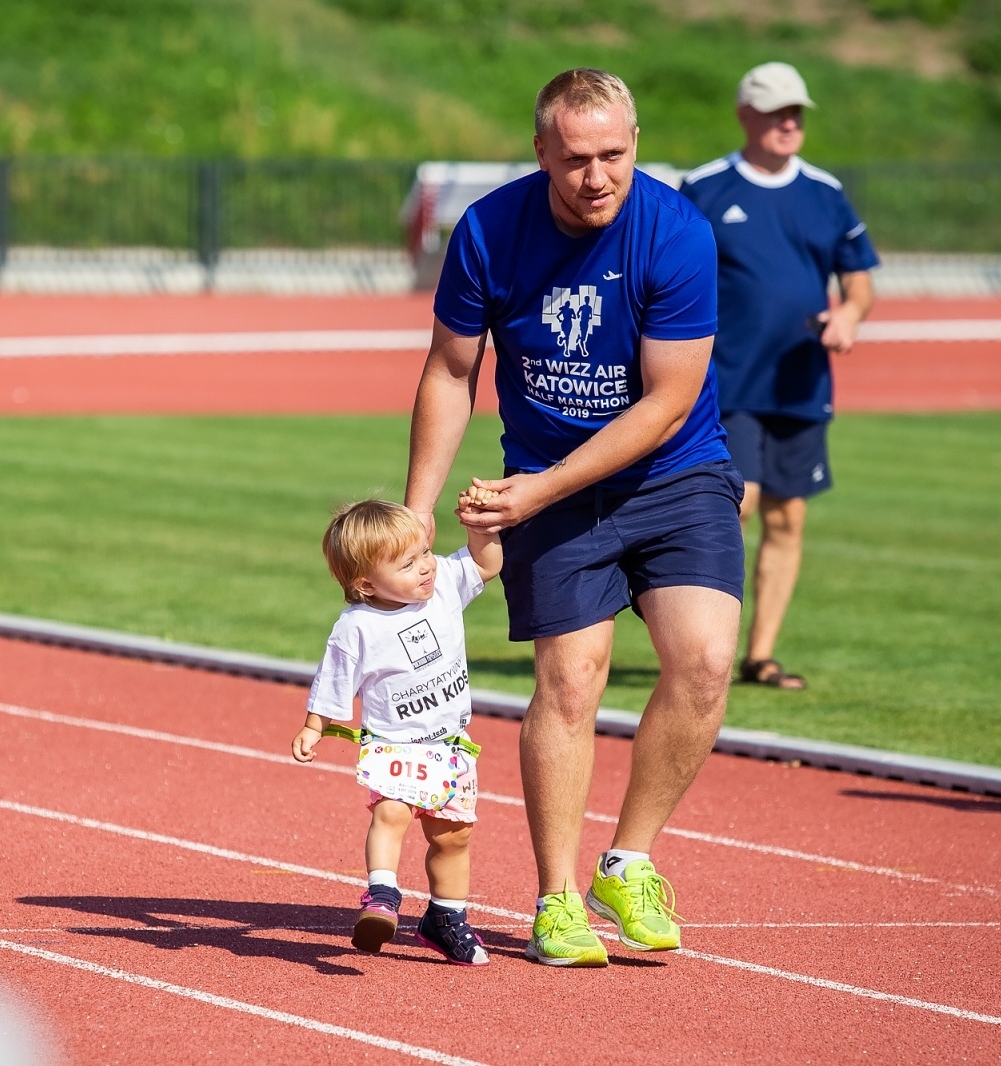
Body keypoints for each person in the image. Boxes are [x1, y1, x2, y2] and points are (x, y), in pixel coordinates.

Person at [407, 68, 743, 967]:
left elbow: (667, 403)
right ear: (541, 152)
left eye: (615, 156)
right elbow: (450, 370)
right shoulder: (488, 230)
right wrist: (415, 511)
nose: (598, 178)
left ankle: (627, 862)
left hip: (675, 471)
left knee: (706, 661)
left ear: (635, 144)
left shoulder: (675, 232)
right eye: (577, 160)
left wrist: (536, 492)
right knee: (571, 680)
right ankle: (557, 899)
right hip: (548, 477)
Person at [679, 62, 879, 690]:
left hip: (800, 384)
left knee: (788, 517)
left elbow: (859, 279)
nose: (790, 122)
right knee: (737, 504)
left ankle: (759, 656)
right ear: (746, 115)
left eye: (797, 112)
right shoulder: (705, 187)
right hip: (725, 382)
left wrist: (849, 313)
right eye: (776, 111)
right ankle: (702, 646)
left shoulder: (825, 192)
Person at [292, 496, 502, 966]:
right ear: (366, 583)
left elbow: (487, 565)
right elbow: (335, 679)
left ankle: (446, 918)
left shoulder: (445, 582)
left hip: (450, 748)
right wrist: (315, 725)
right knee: (391, 814)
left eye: (425, 552)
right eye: (407, 564)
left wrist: (481, 530)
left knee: (453, 838)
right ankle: (382, 896)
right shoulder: (357, 627)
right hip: (393, 746)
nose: (425, 567)